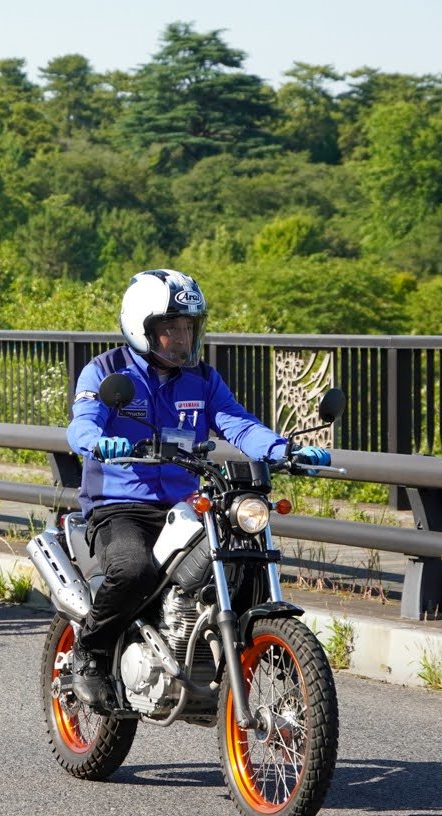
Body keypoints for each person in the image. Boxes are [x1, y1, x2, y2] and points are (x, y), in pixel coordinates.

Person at [65, 269, 330, 710]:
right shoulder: (106, 371)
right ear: (142, 326)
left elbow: (237, 423)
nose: (182, 338)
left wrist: (286, 450)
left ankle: (262, 652)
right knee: (132, 570)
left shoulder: (202, 379)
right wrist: (97, 441)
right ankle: (90, 653)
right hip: (120, 505)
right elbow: (81, 424)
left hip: (184, 505)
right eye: (171, 328)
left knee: (241, 560)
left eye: (189, 327)